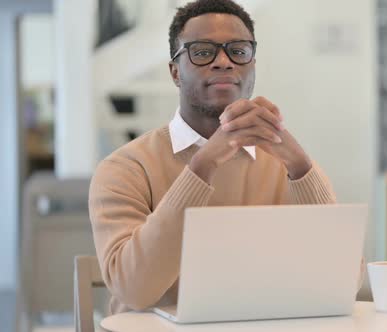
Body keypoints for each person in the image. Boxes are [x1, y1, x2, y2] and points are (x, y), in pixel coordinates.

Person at [89, 0, 341, 314]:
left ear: (252, 65)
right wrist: (203, 164)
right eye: (203, 51)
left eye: (238, 50)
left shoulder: (286, 164)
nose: (224, 62)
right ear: (174, 72)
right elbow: (135, 289)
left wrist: (300, 165)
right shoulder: (124, 169)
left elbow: (343, 280)